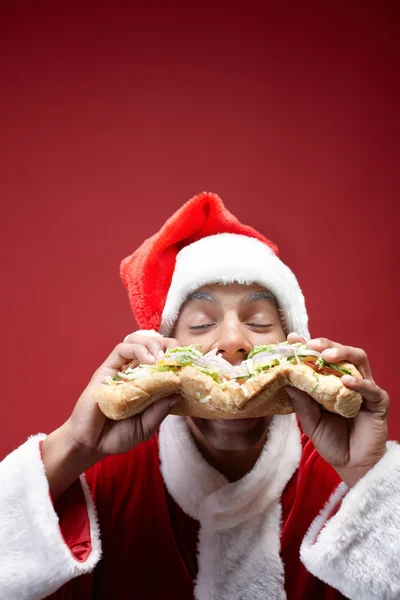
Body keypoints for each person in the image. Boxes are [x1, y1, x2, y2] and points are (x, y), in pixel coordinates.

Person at [0, 192, 398, 600]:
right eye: (203, 323)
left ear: (294, 343)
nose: (231, 341)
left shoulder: (341, 478)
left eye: (259, 322)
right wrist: (74, 444)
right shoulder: (97, 477)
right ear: (163, 352)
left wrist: (370, 475)